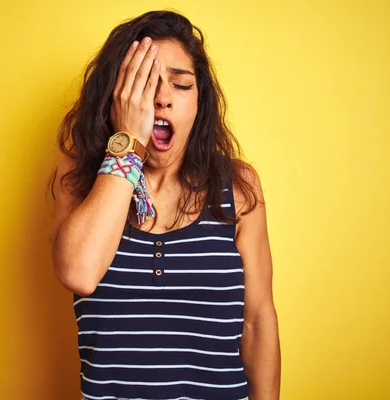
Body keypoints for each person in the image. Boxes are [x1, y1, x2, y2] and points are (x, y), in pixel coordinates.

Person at [49, 9, 280, 400]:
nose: (161, 98)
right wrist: (128, 139)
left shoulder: (238, 187)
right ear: (116, 95)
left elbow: (258, 321)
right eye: (143, 83)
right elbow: (80, 273)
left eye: (180, 84)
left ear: (199, 102)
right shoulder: (78, 180)